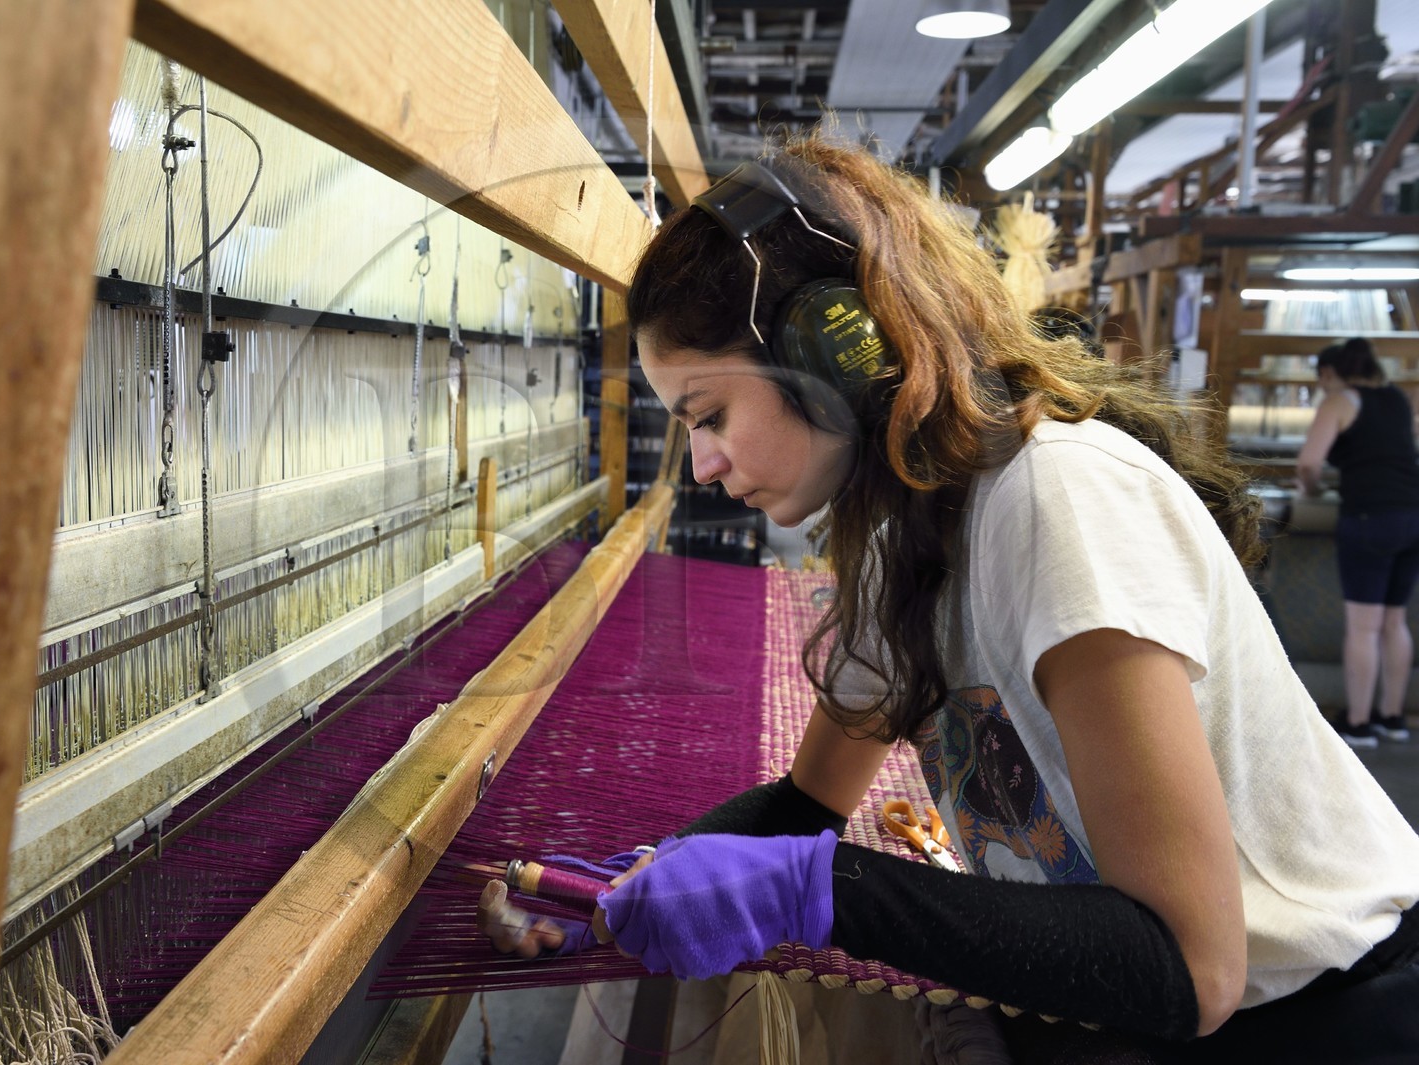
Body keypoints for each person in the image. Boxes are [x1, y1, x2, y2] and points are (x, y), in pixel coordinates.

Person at [483, 134, 1419, 1062]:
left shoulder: (1057, 498)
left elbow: (1191, 966)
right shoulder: (908, 541)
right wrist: (619, 882)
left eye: (711, 414)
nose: (705, 464)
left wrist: (823, 890)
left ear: (834, 349)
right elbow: (808, 804)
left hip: (1333, 1015)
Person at [1297, 337, 1419, 746]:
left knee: (1363, 627)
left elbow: (1310, 462)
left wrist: (1311, 491)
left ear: (1329, 373)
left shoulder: (1339, 401)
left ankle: (1360, 722)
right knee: (1394, 620)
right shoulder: (1398, 399)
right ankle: (1393, 717)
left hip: (1369, 518)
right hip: (1411, 514)